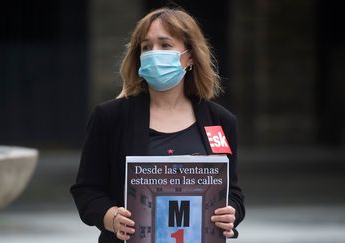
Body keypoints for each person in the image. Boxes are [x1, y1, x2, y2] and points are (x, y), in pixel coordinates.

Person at [70, 7, 245, 243]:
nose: (154, 53)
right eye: (146, 47)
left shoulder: (221, 121)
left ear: (190, 56)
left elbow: (231, 193)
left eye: (165, 45)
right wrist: (111, 218)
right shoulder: (110, 117)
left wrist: (231, 213)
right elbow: (86, 191)